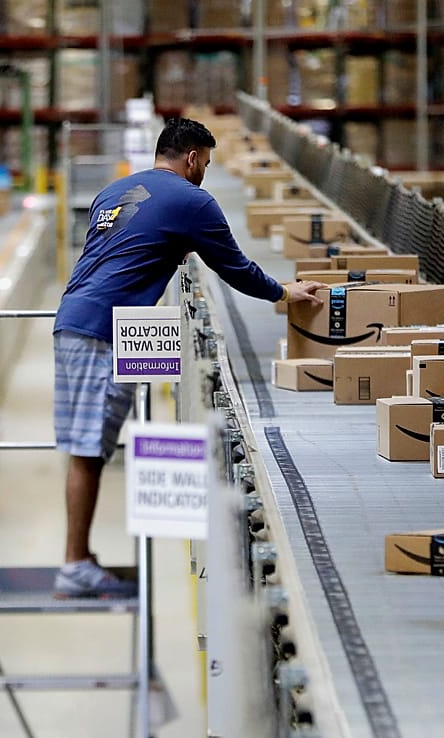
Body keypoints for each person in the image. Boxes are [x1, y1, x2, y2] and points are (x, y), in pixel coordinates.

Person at [51, 116, 324, 598]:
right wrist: (285, 292)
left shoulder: (115, 191)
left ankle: (78, 553)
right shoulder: (191, 200)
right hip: (102, 331)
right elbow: (236, 268)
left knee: (85, 445)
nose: (205, 174)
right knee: (89, 450)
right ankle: (73, 563)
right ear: (193, 158)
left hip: (75, 317)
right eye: (206, 164)